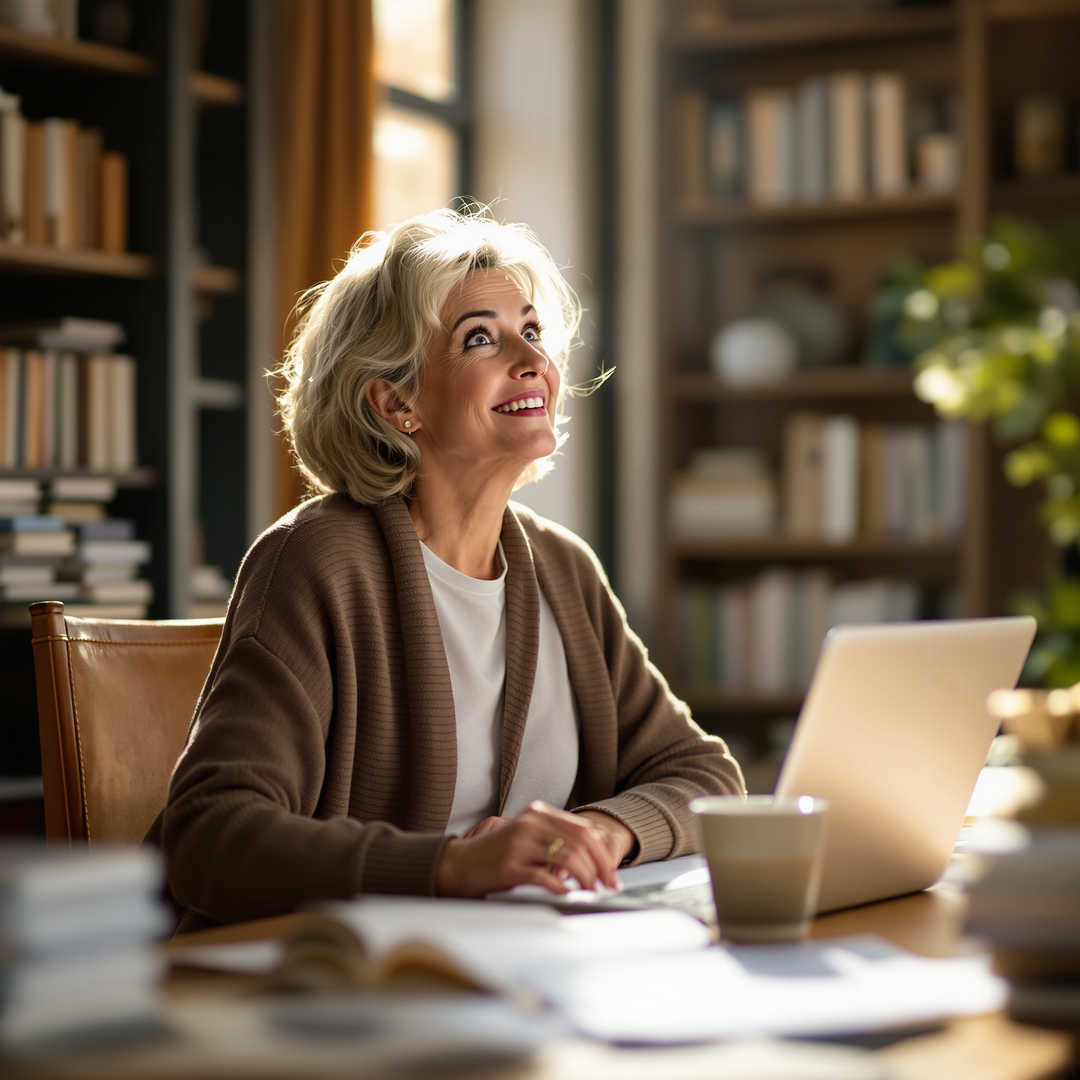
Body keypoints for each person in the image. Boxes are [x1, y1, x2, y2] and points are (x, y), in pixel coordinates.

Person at [152, 208, 744, 931]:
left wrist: (600, 835)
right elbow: (211, 835)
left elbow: (705, 775)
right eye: (479, 340)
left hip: (528, 963)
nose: (531, 362)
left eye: (530, 332)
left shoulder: (563, 568)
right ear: (396, 402)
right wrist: (452, 866)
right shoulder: (315, 560)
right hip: (332, 987)